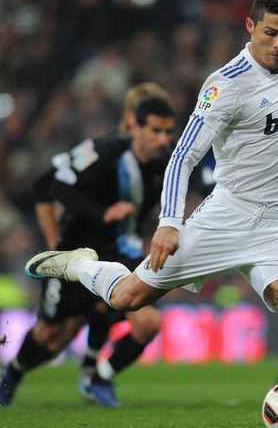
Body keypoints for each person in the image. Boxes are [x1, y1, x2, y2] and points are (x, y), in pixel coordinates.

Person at [24, 0, 278, 428]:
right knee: (129, 298)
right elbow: (183, 157)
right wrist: (169, 223)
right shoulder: (225, 84)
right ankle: (79, 265)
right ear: (250, 26)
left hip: (277, 228)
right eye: (270, 33)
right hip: (226, 219)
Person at [0, 96, 175, 407]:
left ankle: (97, 378)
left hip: (123, 252)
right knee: (53, 336)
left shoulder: (168, 164)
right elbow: (52, 186)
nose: (162, 139)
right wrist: (101, 211)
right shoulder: (103, 151)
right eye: (155, 131)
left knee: (148, 322)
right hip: (77, 255)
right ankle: (13, 372)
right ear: (135, 127)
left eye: (167, 132)